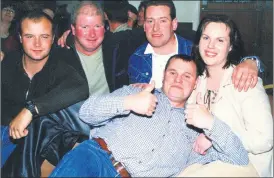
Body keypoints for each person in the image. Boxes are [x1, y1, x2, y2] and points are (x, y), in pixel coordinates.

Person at [49, 54, 255, 177]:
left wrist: (211, 125)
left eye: (187, 76)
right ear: (163, 76)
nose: (178, 79)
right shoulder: (136, 92)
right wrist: (128, 103)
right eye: (173, 73)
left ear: (195, 84)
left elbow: (239, 158)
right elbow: (87, 112)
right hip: (95, 157)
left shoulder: (197, 132)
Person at [2, 1, 145, 177]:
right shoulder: (61, 54)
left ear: (105, 27)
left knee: (43, 118)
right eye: (84, 26)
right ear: (73, 29)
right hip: (60, 130)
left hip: (108, 123)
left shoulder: (118, 45)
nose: (92, 33)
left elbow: (155, 33)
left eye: (97, 26)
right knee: (42, 121)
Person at [178, 14, 273, 177]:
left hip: (248, 164)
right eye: (206, 37)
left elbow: (264, 141)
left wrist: (213, 135)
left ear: (230, 47)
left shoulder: (245, 80)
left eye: (220, 40)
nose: (210, 45)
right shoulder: (198, 81)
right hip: (210, 160)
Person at [1, 10, 88, 167]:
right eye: (29, 36)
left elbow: (79, 87)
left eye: (44, 36)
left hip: (37, 140)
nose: (37, 44)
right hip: (5, 133)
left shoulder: (61, 60)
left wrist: (31, 109)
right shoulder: (9, 62)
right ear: (20, 38)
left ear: (53, 38)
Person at [128, 0, 261, 91]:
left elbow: (230, 57)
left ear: (174, 24)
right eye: (150, 21)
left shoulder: (196, 50)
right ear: (144, 25)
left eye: (163, 21)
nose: (155, 28)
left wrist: (252, 62)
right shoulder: (135, 58)